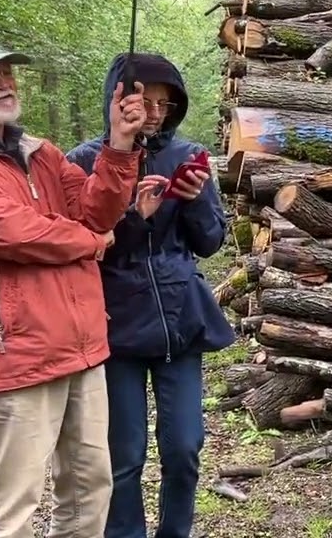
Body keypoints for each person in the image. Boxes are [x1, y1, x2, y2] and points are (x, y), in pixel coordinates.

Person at [0, 32, 146, 537]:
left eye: (7, 73)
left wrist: (119, 144)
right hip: (17, 354)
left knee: (89, 492)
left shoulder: (42, 153)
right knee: (11, 510)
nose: (5, 83)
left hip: (84, 346)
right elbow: (17, 235)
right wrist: (93, 243)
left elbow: (96, 209)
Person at [65, 52, 235, 538]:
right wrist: (134, 216)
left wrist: (196, 197)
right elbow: (80, 245)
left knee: (183, 448)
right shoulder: (83, 160)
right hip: (115, 326)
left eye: (167, 102)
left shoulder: (188, 156)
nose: (157, 112)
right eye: (146, 99)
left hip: (180, 323)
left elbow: (208, 243)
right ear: (120, 97)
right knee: (125, 455)